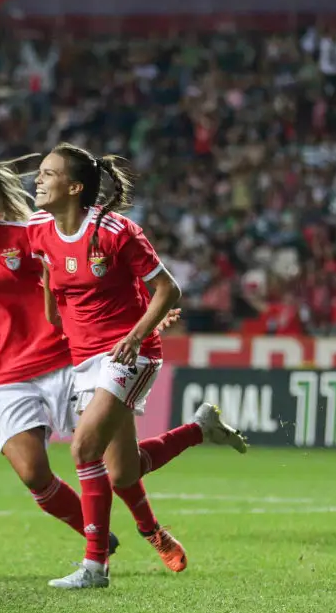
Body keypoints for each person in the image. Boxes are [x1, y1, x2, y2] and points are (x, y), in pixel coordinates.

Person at [0, 162, 247, 576]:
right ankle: (98, 539)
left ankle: (145, 524)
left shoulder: (26, 234)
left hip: (67, 358)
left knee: (123, 469)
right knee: (34, 473)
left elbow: (89, 277)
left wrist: (144, 318)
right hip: (1, 377)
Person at [27, 143, 205, 589]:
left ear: (74, 186)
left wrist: (138, 331)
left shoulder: (116, 231)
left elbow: (169, 290)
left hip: (131, 353)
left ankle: (95, 566)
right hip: (86, 359)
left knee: (83, 448)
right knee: (124, 471)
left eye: (48, 174)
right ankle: (201, 431)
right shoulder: (40, 234)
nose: (38, 180)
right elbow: (54, 311)